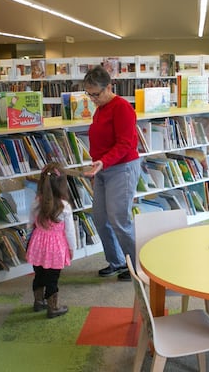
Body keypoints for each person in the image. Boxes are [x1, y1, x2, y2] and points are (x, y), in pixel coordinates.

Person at [82, 65, 142, 281]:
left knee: (119, 219)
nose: (93, 99)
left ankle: (136, 265)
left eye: (96, 94)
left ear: (109, 87)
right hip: (103, 168)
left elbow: (125, 143)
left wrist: (103, 161)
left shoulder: (122, 108)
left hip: (122, 168)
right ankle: (116, 261)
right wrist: (98, 163)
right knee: (100, 218)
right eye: (89, 94)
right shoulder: (101, 108)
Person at [25, 162, 77, 318]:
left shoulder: (36, 202)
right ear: (62, 185)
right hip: (56, 248)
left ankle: (38, 302)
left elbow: (29, 224)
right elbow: (70, 232)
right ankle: (53, 308)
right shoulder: (64, 206)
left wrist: (29, 243)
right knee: (52, 278)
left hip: (37, 244)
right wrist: (72, 248)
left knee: (39, 274)